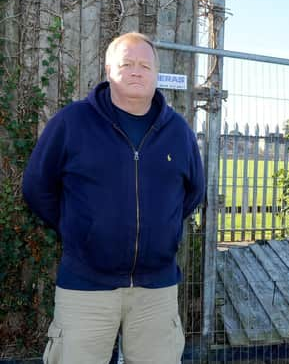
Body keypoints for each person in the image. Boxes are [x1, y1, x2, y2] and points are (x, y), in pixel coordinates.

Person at [22, 32, 205, 364]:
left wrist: (159, 231)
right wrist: (79, 228)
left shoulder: (179, 132)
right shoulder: (71, 123)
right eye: (127, 63)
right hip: (85, 286)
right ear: (108, 70)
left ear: (155, 74)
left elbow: (193, 193)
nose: (137, 71)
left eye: (145, 65)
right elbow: (37, 187)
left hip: (157, 290)